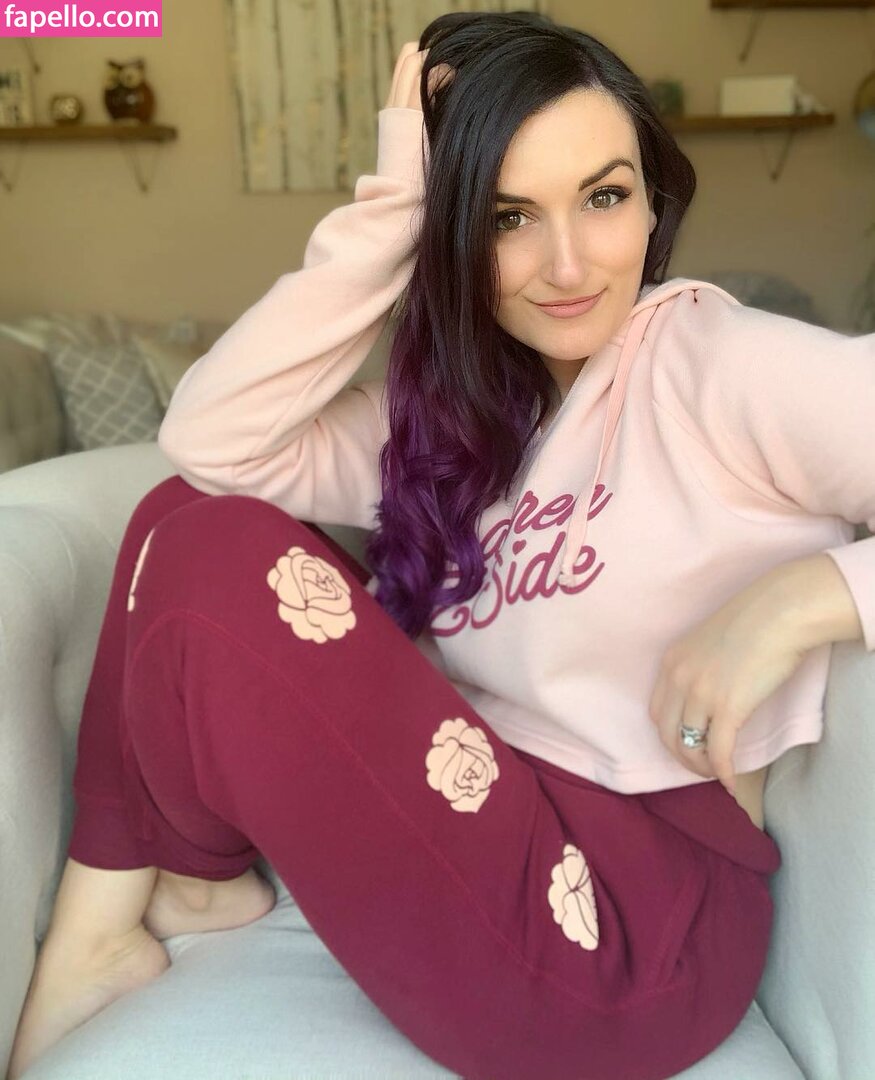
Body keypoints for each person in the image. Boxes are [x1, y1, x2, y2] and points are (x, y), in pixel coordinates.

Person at [8, 11, 872, 1080]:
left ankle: (104, 931)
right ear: (452, 233)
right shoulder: (456, 419)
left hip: (633, 939)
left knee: (210, 548)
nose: (566, 261)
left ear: (652, 200)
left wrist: (802, 598)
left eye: (604, 197)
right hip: (486, 826)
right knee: (180, 516)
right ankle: (181, 888)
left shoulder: (717, 364)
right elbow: (211, 439)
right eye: (508, 216)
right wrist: (390, 212)